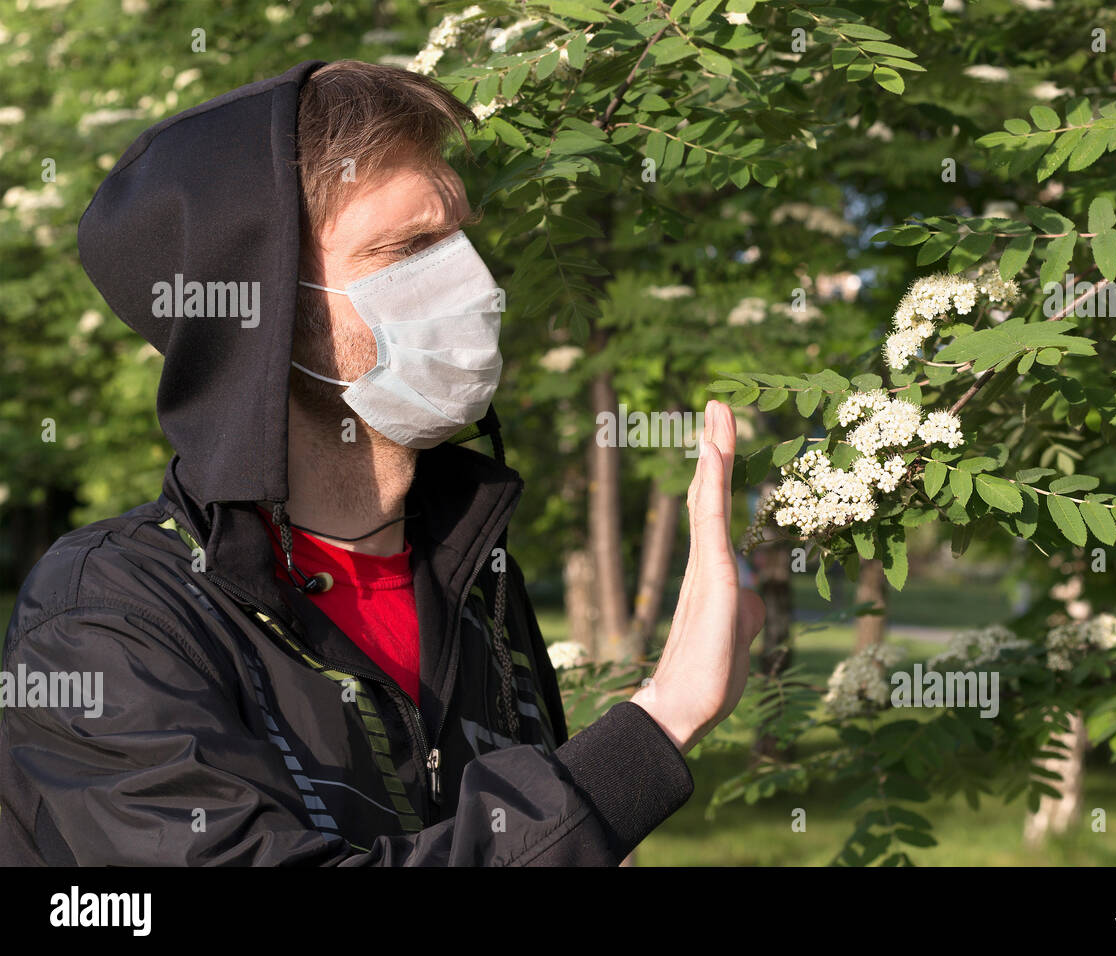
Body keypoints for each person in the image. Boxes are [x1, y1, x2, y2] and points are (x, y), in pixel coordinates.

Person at [0, 60, 765, 865]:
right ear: (258, 310)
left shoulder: (473, 574)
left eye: (461, 236)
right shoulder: (108, 618)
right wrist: (659, 723)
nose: (475, 284)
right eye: (409, 248)